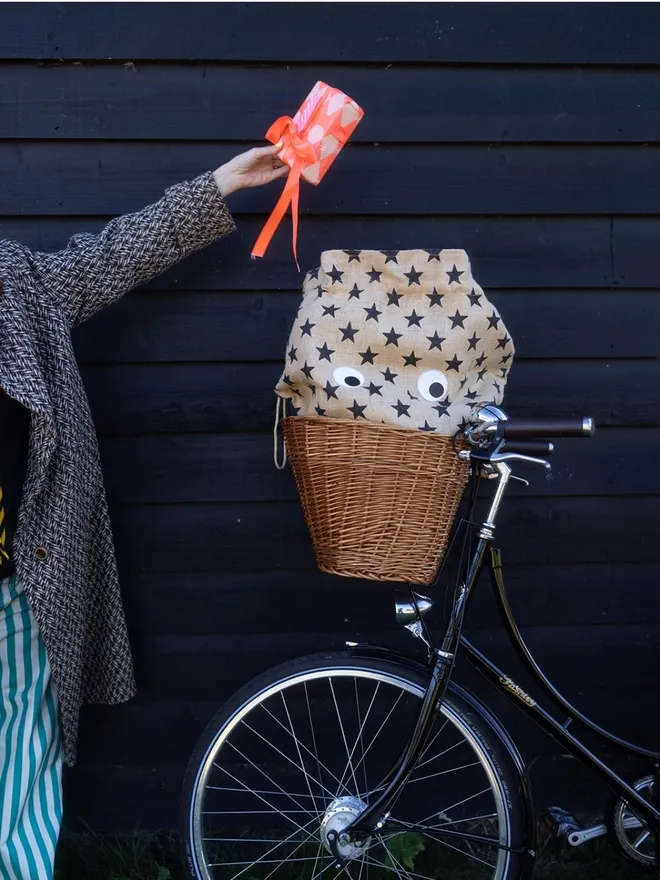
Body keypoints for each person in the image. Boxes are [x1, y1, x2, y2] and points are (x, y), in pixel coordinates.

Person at [0, 144, 287, 879]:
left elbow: (112, 257)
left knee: (22, 762)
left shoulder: (14, 285)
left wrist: (221, 185)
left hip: (17, 596)